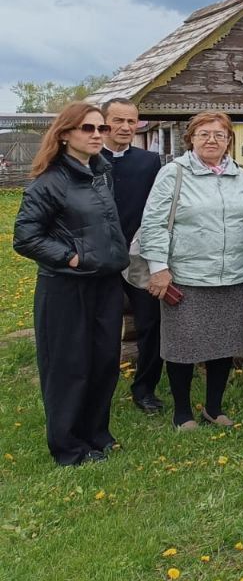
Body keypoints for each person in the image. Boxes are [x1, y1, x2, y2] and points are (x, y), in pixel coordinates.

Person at [13, 102, 129, 465]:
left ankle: (96, 434)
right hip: (66, 287)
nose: (97, 135)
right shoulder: (49, 182)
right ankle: (69, 446)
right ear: (65, 135)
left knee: (104, 361)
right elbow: (25, 237)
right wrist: (70, 257)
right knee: (69, 365)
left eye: (101, 129)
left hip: (106, 282)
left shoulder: (100, 173)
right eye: (88, 129)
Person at [139, 111, 243, 429]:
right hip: (187, 277)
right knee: (183, 346)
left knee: (223, 344)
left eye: (219, 135)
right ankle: (182, 413)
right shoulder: (174, 173)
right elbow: (154, 223)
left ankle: (214, 408)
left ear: (229, 141)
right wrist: (159, 268)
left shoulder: (240, 176)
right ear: (191, 138)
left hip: (232, 275)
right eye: (204, 134)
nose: (211, 140)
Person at [100, 97, 164, 414]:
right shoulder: (88, 158)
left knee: (152, 323)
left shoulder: (149, 162)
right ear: (104, 122)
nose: (125, 127)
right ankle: (100, 388)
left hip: (140, 255)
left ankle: (145, 388)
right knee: (105, 326)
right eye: (118, 121)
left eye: (131, 121)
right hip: (100, 259)